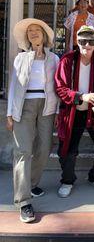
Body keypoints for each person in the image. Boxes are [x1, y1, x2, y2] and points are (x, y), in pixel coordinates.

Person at [6, 19, 59, 223]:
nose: (33, 33)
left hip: (47, 106)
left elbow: (58, 85)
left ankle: (31, 182)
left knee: (44, 148)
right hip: (24, 105)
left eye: (37, 30)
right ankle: (24, 201)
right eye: (30, 32)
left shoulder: (54, 58)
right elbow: (13, 86)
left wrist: (59, 111)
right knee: (23, 151)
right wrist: (9, 113)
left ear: (44, 35)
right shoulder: (20, 58)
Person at [55, 25, 94, 198]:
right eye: (82, 40)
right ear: (77, 41)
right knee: (68, 149)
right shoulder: (67, 60)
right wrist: (82, 97)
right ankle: (67, 180)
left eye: (91, 41)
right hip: (73, 112)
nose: (86, 44)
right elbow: (60, 87)